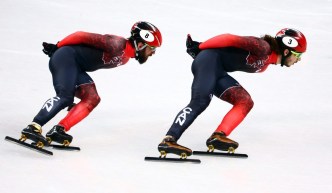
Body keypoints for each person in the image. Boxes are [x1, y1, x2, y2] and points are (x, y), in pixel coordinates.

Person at [158, 28, 307, 158]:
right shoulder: (263, 47)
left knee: (245, 101)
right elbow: (229, 38)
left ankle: (218, 136)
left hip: (218, 70)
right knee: (200, 101)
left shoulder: (266, 63)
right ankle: (169, 139)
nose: (298, 60)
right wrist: (199, 47)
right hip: (208, 60)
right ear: (287, 51)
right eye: (298, 55)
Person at [20, 21, 162, 147]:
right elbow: (80, 35)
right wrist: (56, 47)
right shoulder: (116, 43)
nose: (153, 53)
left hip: (75, 67)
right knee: (65, 97)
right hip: (65, 57)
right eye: (153, 48)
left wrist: (77, 92)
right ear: (141, 44)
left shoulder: (125, 59)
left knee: (92, 99)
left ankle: (59, 130)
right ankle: (34, 126)